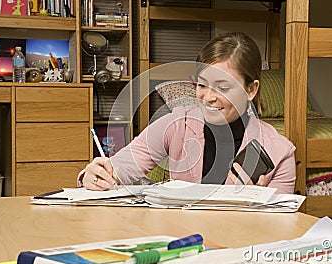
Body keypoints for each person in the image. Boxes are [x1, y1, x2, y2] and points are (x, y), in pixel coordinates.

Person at [78, 32, 296, 194]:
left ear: (251, 89)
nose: (208, 97)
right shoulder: (176, 124)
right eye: (202, 85)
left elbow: (279, 231)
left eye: (222, 87)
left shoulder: (280, 152)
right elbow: (121, 166)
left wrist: (253, 205)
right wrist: (95, 176)